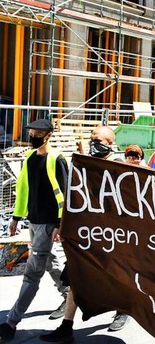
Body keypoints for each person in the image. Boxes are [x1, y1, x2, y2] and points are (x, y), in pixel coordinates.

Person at [40, 125, 130, 343]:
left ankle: (123, 311)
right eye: (91, 138)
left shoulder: (121, 169)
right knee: (75, 279)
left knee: (118, 280)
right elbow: (73, 199)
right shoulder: (84, 167)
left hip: (112, 240)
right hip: (86, 238)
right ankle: (66, 327)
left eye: (98, 139)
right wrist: (62, 224)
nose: (93, 143)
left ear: (110, 143)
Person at [0, 119, 69, 342]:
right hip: (33, 220)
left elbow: (66, 195)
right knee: (49, 261)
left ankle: (12, 321)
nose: (33, 136)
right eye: (32, 132)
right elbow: (22, 189)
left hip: (49, 223)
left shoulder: (56, 159)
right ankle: (69, 295)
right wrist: (16, 217)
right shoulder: (30, 157)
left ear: (48, 135)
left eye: (38, 133)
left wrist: (60, 224)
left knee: (32, 272)